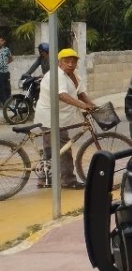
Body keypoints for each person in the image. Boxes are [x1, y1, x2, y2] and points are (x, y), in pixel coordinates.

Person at [32, 48, 95, 189]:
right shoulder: (56, 75)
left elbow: (80, 91)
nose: (71, 64)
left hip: (60, 117)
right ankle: (69, 181)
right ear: (59, 62)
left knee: (50, 149)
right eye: (67, 61)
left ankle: (44, 179)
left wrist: (90, 104)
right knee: (63, 149)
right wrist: (83, 106)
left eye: (74, 61)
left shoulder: (73, 75)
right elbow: (62, 95)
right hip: (50, 117)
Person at [0, 36, 11, 103]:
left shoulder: (6, 50)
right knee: (1, 88)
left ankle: (7, 102)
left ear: (4, 42)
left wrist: (5, 64)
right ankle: (3, 103)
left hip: (5, 72)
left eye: (1, 40)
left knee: (6, 88)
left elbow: (11, 58)